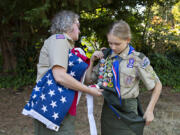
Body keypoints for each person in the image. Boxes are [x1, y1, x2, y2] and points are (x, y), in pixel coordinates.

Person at [23, 10, 103, 135]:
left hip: (59, 102)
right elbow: (60, 76)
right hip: (52, 103)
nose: (79, 30)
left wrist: (92, 60)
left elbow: (85, 79)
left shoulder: (68, 45)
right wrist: (89, 91)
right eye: (78, 25)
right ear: (69, 25)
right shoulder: (59, 39)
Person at [85, 20, 162, 135]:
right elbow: (89, 80)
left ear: (127, 40)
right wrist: (91, 61)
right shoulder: (105, 56)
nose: (113, 47)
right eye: (110, 43)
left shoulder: (137, 59)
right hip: (109, 110)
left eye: (117, 43)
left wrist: (150, 110)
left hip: (128, 110)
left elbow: (157, 85)